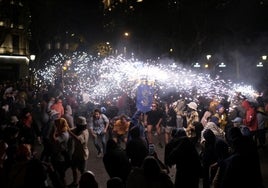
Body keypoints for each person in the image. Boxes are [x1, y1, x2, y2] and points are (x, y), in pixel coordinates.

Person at [68, 116, 89, 188]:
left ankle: (83, 185)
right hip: (76, 153)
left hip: (82, 154)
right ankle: (75, 182)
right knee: (73, 168)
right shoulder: (78, 129)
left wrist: (70, 132)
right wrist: (66, 128)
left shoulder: (84, 132)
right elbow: (71, 129)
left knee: (83, 172)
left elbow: (78, 140)